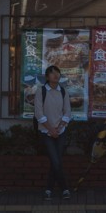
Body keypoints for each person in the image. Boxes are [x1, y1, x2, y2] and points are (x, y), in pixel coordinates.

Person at [34, 64, 72, 201]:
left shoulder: (63, 91)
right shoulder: (41, 91)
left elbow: (67, 111)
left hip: (60, 132)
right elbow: (38, 113)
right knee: (56, 161)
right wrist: (50, 129)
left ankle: (49, 190)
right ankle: (65, 189)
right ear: (47, 76)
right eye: (52, 73)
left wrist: (60, 126)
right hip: (46, 132)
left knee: (55, 162)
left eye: (58, 73)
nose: (56, 75)